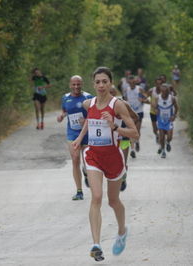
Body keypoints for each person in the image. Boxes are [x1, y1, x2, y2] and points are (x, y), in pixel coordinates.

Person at [72, 67, 139, 261]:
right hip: (93, 155)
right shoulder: (88, 103)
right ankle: (96, 245)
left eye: (105, 81)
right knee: (96, 197)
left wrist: (115, 126)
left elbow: (134, 133)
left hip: (113, 158)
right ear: (93, 84)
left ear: (111, 83)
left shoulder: (117, 105)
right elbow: (89, 122)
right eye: (98, 82)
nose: (101, 85)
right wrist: (80, 137)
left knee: (113, 201)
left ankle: (121, 231)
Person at [57, 75, 93, 200]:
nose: (76, 87)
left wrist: (87, 121)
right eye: (74, 84)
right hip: (72, 133)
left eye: (78, 84)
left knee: (88, 161)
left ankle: (86, 171)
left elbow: (95, 114)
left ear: (82, 84)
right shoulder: (65, 98)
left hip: (87, 133)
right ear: (70, 85)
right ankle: (79, 191)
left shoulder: (88, 97)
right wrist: (61, 115)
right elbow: (64, 110)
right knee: (75, 158)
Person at [110, 85, 139, 191]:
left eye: (113, 92)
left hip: (123, 138)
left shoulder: (122, 104)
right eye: (109, 92)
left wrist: (128, 129)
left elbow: (136, 117)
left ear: (116, 92)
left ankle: (123, 178)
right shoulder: (100, 104)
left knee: (122, 161)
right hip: (110, 139)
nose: (110, 94)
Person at [125, 75, 149, 158]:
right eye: (130, 83)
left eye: (133, 82)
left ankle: (137, 141)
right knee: (131, 130)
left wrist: (143, 100)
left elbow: (147, 99)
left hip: (139, 112)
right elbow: (124, 100)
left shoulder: (139, 89)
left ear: (135, 82)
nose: (132, 84)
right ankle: (132, 150)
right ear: (128, 83)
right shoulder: (126, 90)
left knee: (137, 131)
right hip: (130, 113)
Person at [153, 83, 179, 159]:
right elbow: (155, 107)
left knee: (170, 137)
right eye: (162, 92)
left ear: (168, 91)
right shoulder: (158, 98)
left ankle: (168, 142)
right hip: (160, 120)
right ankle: (163, 151)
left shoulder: (172, 98)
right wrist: (156, 110)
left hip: (169, 120)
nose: (164, 93)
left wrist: (174, 115)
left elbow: (177, 108)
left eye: (165, 92)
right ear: (161, 91)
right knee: (161, 137)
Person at [147, 78, 162, 144]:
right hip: (153, 111)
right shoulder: (151, 91)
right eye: (157, 84)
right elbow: (146, 98)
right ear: (155, 84)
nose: (158, 85)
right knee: (155, 129)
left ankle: (162, 139)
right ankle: (157, 135)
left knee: (161, 127)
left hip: (161, 112)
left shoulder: (164, 91)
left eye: (160, 84)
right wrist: (150, 103)